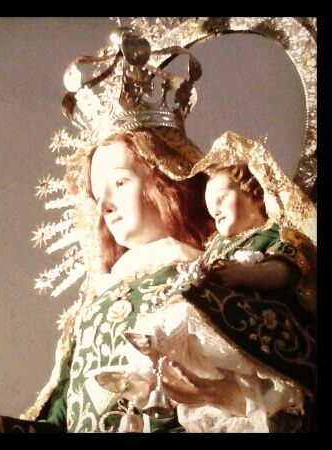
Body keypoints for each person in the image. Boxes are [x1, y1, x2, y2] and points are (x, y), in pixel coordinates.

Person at [0, 26, 316, 433]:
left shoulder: (220, 277)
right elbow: (59, 426)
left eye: (120, 182)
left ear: (168, 182)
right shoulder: (89, 316)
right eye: (97, 195)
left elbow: (295, 371)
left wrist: (238, 400)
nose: (105, 206)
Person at [126, 131, 317, 432]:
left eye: (222, 198)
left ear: (254, 192)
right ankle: (147, 373)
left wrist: (246, 274)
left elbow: (286, 271)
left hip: (258, 320)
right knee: (181, 305)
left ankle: (158, 351)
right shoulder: (216, 245)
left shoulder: (271, 234)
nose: (215, 210)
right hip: (217, 326)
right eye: (210, 207)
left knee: (190, 306)